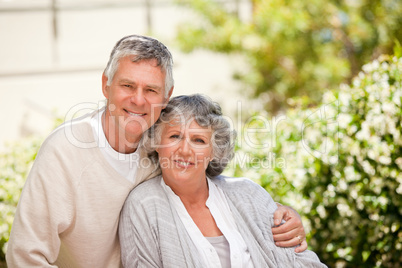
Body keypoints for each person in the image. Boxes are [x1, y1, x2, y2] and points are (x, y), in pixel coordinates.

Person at [7, 35, 306, 267]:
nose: (138, 100)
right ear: (106, 85)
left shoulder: (159, 144)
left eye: (150, 90)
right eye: (127, 86)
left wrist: (279, 214)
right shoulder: (66, 151)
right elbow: (25, 257)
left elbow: (205, 178)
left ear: (166, 96)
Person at [119, 94, 327, 268]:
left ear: (214, 151)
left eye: (198, 140)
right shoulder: (143, 205)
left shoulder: (248, 194)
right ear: (157, 142)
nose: (185, 150)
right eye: (174, 136)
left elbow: (300, 260)